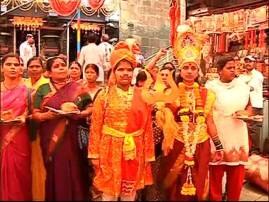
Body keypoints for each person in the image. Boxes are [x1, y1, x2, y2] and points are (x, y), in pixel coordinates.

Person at [156, 26, 223, 201]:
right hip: (177, 141)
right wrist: (166, 137)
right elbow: (164, 120)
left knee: (199, 181)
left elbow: (209, 121)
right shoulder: (171, 93)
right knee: (174, 182)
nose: (190, 71)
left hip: (201, 142)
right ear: (180, 70)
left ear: (198, 71)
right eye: (186, 67)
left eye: (193, 68)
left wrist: (219, 146)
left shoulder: (207, 94)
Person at [88, 41, 155, 201]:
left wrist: (148, 155)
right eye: (121, 69)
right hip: (109, 149)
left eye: (129, 70)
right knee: (109, 194)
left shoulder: (143, 95)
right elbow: (95, 127)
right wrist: (94, 155)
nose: (125, 73)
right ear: (113, 71)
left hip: (134, 150)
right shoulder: (104, 95)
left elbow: (147, 127)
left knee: (129, 193)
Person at [32, 56, 88, 200]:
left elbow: (91, 107)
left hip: (71, 135)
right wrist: (48, 116)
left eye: (63, 65)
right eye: (56, 66)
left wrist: (79, 113)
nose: (62, 68)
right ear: (49, 73)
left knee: (73, 167)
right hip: (50, 137)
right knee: (54, 169)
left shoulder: (77, 87)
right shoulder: (43, 89)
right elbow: (35, 114)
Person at [205, 55, 252, 201]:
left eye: (234, 67)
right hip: (218, 134)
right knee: (216, 177)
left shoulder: (242, 86)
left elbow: (250, 108)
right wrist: (216, 141)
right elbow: (207, 115)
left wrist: (246, 113)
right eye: (229, 68)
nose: (233, 70)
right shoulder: (211, 87)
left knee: (237, 177)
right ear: (219, 71)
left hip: (238, 136)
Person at [0, 53, 32, 200]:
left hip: (20, 137)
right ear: (2, 68)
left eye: (17, 65)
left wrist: (24, 117)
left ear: (21, 69)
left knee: (20, 172)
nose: (13, 67)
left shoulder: (28, 91)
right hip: (2, 135)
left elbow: (33, 114)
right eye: (9, 64)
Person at [24, 56, 48, 201]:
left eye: (37, 66)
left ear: (43, 69)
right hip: (22, 127)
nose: (34, 69)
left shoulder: (46, 84)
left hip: (41, 127)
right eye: (31, 66)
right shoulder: (23, 83)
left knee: (39, 161)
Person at [238, 55, 264, 154]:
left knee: (254, 128)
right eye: (246, 61)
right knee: (244, 127)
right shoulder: (242, 76)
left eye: (250, 61)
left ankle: (255, 150)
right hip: (244, 104)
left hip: (254, 104)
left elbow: (251, 88)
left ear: (255, 63)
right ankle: (246, 148)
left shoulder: (257, 75)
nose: (248, 63)